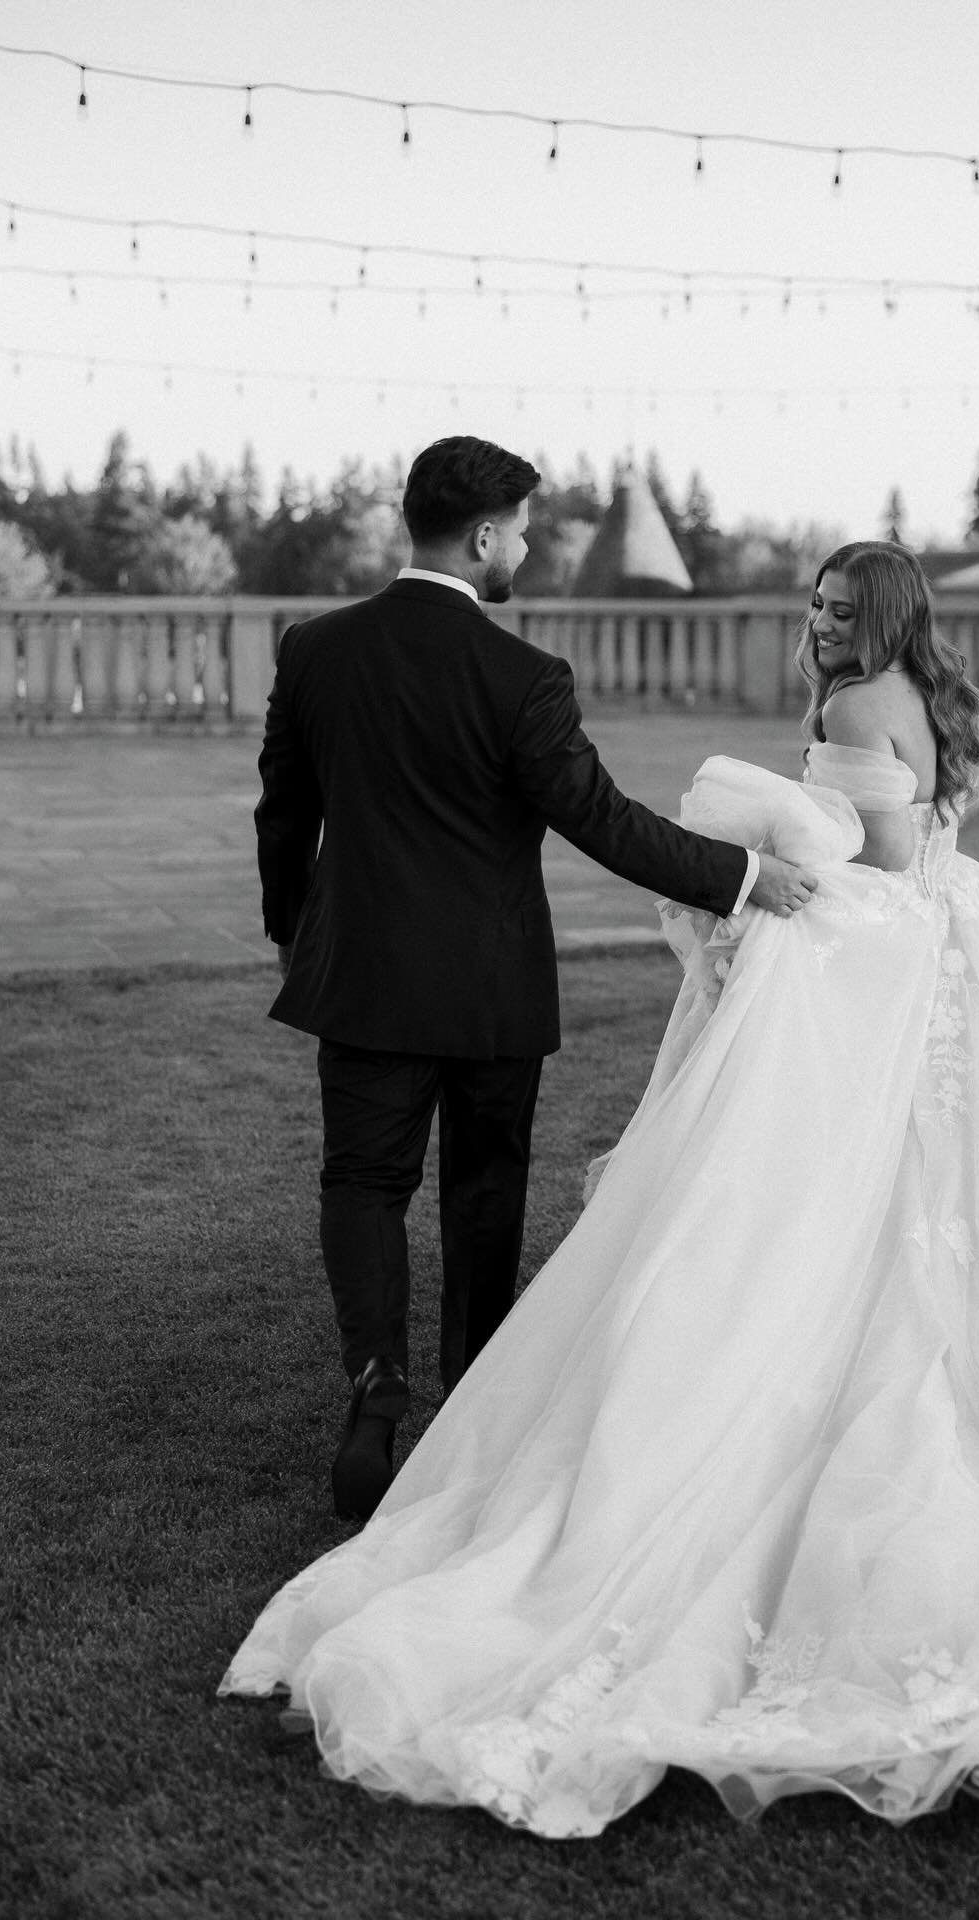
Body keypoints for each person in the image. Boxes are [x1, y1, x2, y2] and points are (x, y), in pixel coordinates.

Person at [224, 541, 979, 1844]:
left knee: (798, 1197)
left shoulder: (857, 706)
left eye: (841, 608)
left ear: (884, 615)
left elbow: (888, 855)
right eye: (816, 603)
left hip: (876, 962)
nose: (819, 621)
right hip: (947, 970)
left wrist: (817, 875)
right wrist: (948, 861)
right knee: (917, 1203)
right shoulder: (945, 693)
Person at [253, 434, 817, 1523]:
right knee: (482, 1189)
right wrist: (748, 874)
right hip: (489, 990)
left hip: (361, 977)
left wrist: (295, 933)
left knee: (363, 1185)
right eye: (517, 529)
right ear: (479, 535)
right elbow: (602, 823)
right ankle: (471, 1406)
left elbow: (284, 816)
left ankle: (375, 1388)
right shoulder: (522, 677)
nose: (522, 545)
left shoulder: (314, 650)